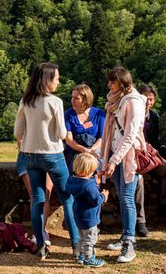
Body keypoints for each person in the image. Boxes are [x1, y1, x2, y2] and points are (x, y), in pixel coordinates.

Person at [14, 62, 79, 260]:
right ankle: (77, 245)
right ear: (47, 80)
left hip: (31, 156)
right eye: (57, 78)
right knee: (67, 199)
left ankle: (40, 246)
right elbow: (60, 133)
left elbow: (18, 132)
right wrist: (67, 132)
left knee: (37, 200)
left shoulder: (25, 101)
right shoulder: (55, 102)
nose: (58, 82)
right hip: (53, 155)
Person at [99, 66, 145, 264]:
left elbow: (130, 136)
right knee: (122, 196)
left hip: (127, 158)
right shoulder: (117, 100)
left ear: (122, 83)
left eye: (112, 81)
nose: (109, 84)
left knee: (127, 197)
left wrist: (113, 160)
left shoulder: (134, 101)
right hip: (115, 156)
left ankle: (129, 241)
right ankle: (125, 235)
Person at [133, 84, 166, 235]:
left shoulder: (154, 116)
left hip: (149, 154)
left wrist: (156, 153)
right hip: (133, 155)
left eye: (151, 99)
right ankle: (140, 221)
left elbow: (155, 139)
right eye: (145, 98)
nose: (148, 102)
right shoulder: (131, 113)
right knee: (138, 180)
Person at [66, 153, 108, 268]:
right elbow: (95, 199)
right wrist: (104, 196)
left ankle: (80, 255)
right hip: (89, 216)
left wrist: (95, 181)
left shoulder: (72, 180)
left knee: (81, 237)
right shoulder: (89, 185)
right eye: (93, 171)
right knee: (90, 239)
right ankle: (88, 258)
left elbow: (86, 187)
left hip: (79, 215)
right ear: (88, 170)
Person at [16, 141, 53, 245]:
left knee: (46, 193)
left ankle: (42, 230)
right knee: (35, 194)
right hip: (28, 156)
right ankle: (38, 233)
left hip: (49, 156)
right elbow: (20, 139)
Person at [63, 84, 105, 174]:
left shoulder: (98, 113)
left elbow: (102, 138)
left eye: (76, 98)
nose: (72, 100)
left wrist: (91, 151)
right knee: (79, 163)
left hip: (94, 151)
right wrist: (84, 150)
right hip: (75, 151)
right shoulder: (68, 114)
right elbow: (69, 140)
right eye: (72, 97)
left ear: (86, 100)